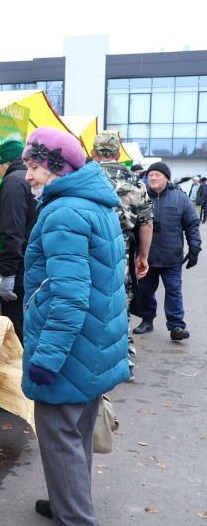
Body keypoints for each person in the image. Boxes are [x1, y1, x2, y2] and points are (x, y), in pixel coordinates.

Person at [21, 127, 129, 525]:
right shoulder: (94, 204)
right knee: (77, 430)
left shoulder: (64, 212)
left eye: (33, 167)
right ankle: (68, 500)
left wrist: (47, 357)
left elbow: (69, 297)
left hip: (70, 348)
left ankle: (75, 517)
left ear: (57, 167)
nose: (28, 176)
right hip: (93, 345)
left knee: (60, 436)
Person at [91, 130, 153, 382]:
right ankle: (125, 362)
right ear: (119, 153)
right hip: (123, 248)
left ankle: (92, 362)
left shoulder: (86, 178)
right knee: (120, 304)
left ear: (93, 153)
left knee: (90, 302)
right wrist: (143, 256)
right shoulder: (136, 182)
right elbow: (146, 224)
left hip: (91, 247)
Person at [133, 162, 201, 340]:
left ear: (167, 178)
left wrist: (195, 248)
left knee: (174, 291)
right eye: (150, 175)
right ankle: (147, 320)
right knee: (146, 291)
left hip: (172, 257)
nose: (153, 178)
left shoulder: (180, 198)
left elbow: (192, 225)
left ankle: (176, 326)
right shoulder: (140, 196)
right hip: (146, 257)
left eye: (157, 174)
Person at [0, 139, 37, 342]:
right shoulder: (30, 180)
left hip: (20, 273)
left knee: (18, 332)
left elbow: (12, 230)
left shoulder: (13, 182)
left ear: (4, 163)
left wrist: (8, 272)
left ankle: (20, 373)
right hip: (32, 266)